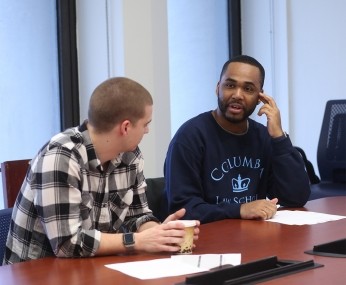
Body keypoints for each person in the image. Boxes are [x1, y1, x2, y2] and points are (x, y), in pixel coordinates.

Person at [3, 77, 200, 265]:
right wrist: (138, 241)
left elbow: (137, 215)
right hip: (37, 274)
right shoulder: (61, 157)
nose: (147, 131)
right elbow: (67, 244)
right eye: (146, 124)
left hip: (94, 267)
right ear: (125, 127)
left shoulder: (130, 155)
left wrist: (161, 234)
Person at [164, 55, 311, 224]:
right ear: (218, 88)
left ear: (260, 98)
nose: (237, 95)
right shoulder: (189, 137)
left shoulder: (264, 137)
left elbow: (296, 198)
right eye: (230, 85)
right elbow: (183, 210)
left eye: (248, 89)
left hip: (253, 237)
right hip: (207, 241)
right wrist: (240, 209)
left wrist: (279, 137)